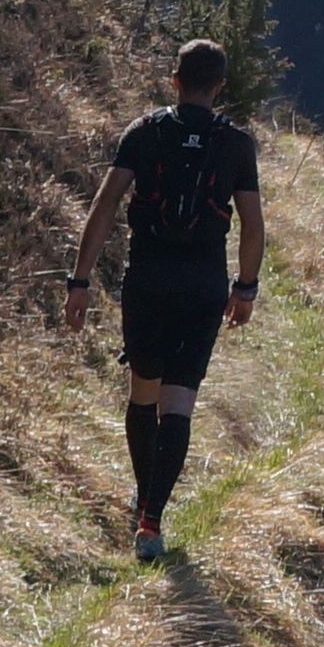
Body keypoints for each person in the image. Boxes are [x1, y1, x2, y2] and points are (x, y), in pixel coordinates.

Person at [59, 37, 266, 562]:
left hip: (147, 278)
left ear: (174, 80)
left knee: (143, 394)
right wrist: (245, 287)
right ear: (219, 88)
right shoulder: (237, 145)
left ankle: (143, 495)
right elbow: (252, 225)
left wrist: (80, 281)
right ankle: (151, 520)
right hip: (203, 285)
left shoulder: (145, 133)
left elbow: (105, 206)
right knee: (180, 402)